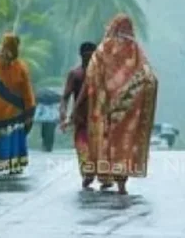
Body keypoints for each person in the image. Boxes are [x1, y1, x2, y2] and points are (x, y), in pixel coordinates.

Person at [84, 14, 158, 195]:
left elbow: (91, 74)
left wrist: (102, 96)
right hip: (129, 107)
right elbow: (149, 77)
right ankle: (121, 183)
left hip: (106, 106)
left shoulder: (103, 49)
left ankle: (101, 173)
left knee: (106, 141)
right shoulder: (136, 50)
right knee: (124, 143)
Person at [0, 33, 36, 174]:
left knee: (10, 135)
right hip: (6, 111)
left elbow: (26, 89)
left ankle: (6, 163)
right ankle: (8, 163)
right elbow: (27, 90)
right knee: (10, 136)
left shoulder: (17, 67)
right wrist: (29, 108)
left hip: (8, 111)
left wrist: (29, 107)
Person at [60, 41, 97, 188]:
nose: (89, 59)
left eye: (92, 56)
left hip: (98, 121)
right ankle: (88, 174)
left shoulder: (101, 75)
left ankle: (102, 175)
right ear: (81, 56)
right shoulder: (75, 74)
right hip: (81, 120)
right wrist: (63, 115)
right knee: (83, 150)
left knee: (99, 150)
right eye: (86, 56)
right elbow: (65, 97)